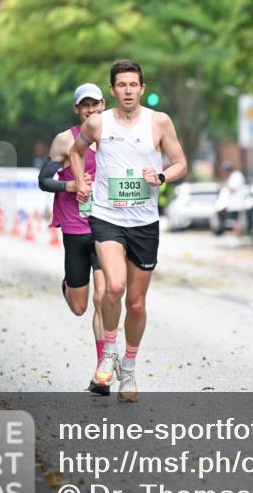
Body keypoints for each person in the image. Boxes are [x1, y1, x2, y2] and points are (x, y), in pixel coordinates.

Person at [70, 59, 186, 402]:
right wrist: (80, 183)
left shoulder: (159, 122)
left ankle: (129, 368)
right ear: (113, 90)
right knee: (114, 285)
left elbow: (180, 163)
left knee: (136, 303)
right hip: (107, 217)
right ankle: (109, 351)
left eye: (133, 85)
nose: (128, 91)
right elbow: (77, 154)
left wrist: (162, 177)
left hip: (144, 222)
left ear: (142, 88)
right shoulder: (97, 123)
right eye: (122, 85)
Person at [38, 83, 109, 395]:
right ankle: (69, 285)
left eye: (95, 104)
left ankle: (101, 374)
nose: (91, 110)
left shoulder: (114, 140)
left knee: (103, 297)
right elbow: (43, 180)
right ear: (77, 109)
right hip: (75, 228)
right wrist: (70, 187)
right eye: (85, 105)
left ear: (104, 105)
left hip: (107, 228)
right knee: (80, 306)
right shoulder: (65, 140)